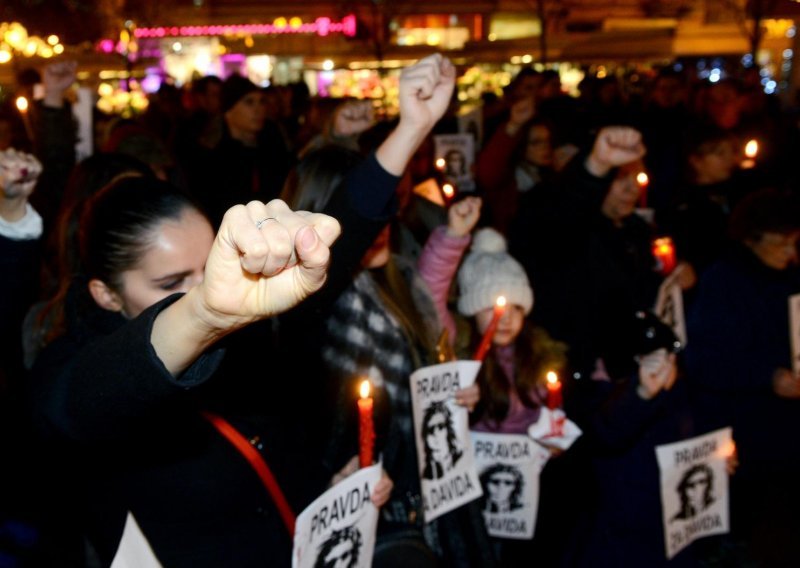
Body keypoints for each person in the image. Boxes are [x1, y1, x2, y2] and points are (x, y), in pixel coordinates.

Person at [685, 188, 800, 566]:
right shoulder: (724, 281)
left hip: (782, 434)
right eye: (782, 242)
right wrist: (768, 376)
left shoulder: (789, 278)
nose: (790, 252)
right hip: (739, 431)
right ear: (755, 238)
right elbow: (705, 362)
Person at [420, 401, 463, 480]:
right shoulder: (427, 473)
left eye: (440, 427)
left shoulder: (462, 460)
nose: (436, 434)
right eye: (431, 430)